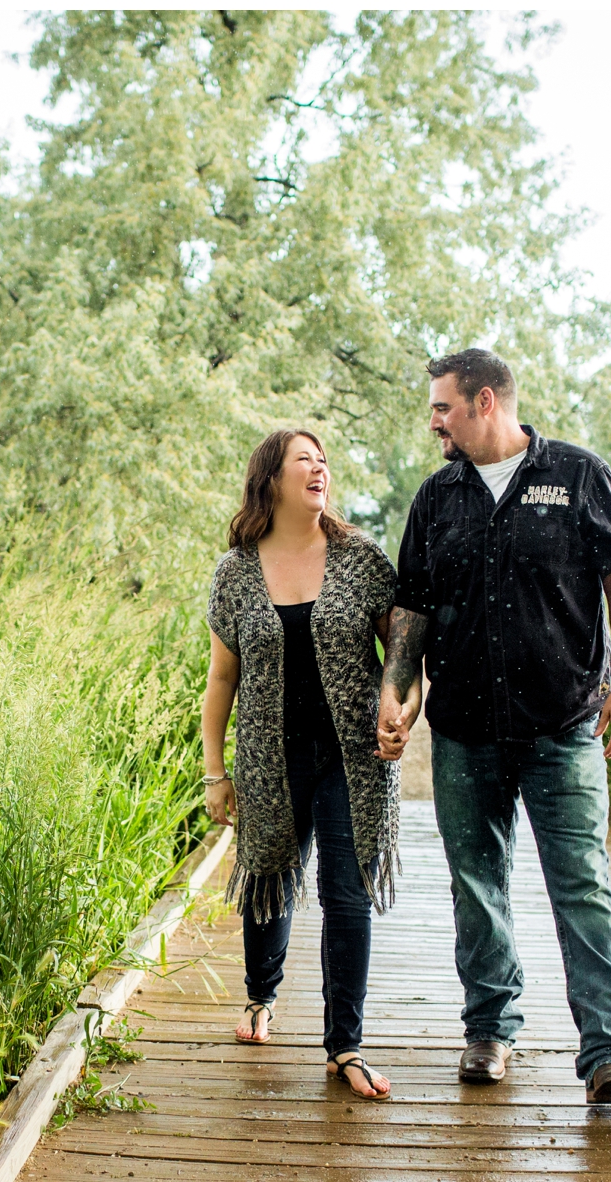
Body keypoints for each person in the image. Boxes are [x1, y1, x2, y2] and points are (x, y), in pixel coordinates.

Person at [375, 348, 611, 1105]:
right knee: (476, 884)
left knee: (582, 883)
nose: (434, 421)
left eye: (443, 407)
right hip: (465, 729)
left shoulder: (580, 476)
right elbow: (413, 610)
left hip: (563, 726)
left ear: (485, 401)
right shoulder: (436, 500)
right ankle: (490, 1027)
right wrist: (398, 692)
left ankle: (609, 1052)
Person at [203, 428, 405, 1101]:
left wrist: (402, 708)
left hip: (353, 757)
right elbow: (222, 679)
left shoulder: (361, 559)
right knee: (269, 878)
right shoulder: (236, 571)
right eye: (304, 460)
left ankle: (343, 1045)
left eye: (324, 460)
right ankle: (262, 995)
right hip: (267, 756)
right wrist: (214, 769)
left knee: (346, 894)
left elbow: (403, 655)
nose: (319, 468)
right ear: (272, 479)